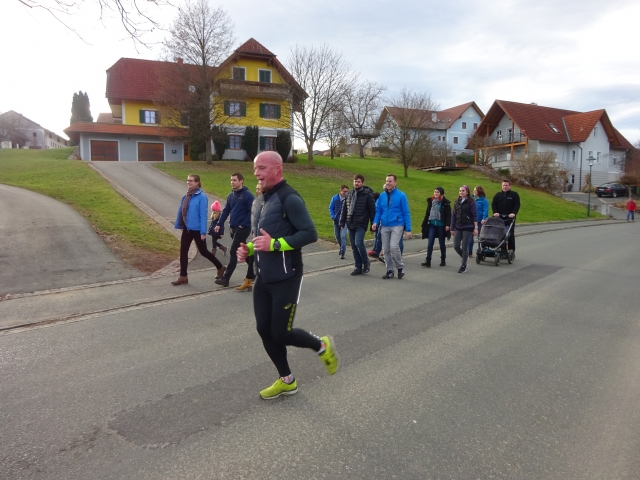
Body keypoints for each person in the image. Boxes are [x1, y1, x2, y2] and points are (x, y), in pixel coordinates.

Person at [236, 151, 339, 400]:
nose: (256, 173)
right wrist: (248, 249)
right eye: (254, 168)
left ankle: (322, 345)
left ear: (277, 169)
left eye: (261, 168)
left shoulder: (290, 198)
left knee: (281, 332)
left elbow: (310, 233)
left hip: (287, 276)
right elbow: (262, 237)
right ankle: (287, 380)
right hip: (263, 276)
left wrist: (275, 245)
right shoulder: (260, 200)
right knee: (264, 329)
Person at [171, 175, 225, 285]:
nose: (188, 182)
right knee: (183, 252)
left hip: (197, 229)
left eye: (191, 181)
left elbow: (203, 215)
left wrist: (203, 232)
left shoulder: (202, 197)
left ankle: (220, 267)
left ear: (197, 183)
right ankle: (183, 276)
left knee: (203, 251)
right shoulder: (187, 196)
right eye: (188, 180)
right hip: (187, 228)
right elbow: (182, 212)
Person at [214, 173, 255, 292]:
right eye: (231, 180)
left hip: (243, 228)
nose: (232, 182)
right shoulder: (231, 195)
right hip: (233, 228)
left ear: (241, 181)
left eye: (235, 180)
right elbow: (226, 210)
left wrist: (244, 224)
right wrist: (219, 224)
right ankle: (254, 272)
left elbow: (252, 212)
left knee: (233, 252)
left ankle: (226, 278)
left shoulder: (248, 195)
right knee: (243, 251)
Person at [373, 174, 412, 279]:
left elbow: (406, 212)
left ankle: (400, 267)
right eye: (387, 181)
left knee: (394, 246)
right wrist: (375, 222)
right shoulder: (382, 196)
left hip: (397, 225)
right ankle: (389, 270)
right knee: (385, 250)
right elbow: (378, 211)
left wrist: (408, 229)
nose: (388, 183)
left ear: (395, 182)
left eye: (390, 181)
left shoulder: (401, 195)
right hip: (384, 226)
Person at [340, 174, 376, 276]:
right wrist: (342, 222)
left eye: (358, 181)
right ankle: (358, 267)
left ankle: (366, 262)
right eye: (355, 181)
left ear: (362, 183)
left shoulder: (368, 195)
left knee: (358, 242)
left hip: (361, 223)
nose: (356, 183)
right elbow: (345, 209)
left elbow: (372, 211)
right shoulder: (349, 194)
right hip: (350, 223)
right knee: (354, 246)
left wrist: (373, 224)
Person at [420, 186, 451, 268]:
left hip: (441, 225)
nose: (436, 193)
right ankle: (428, 260)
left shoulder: (445, 203)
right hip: (432, 224)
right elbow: (427, 214)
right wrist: (423, 225)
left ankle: (443, 259)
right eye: (435, 192)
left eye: (437, 192)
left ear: (441, 193)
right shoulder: (431, 201)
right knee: (430, 243)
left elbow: (448, 215)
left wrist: (447, 225)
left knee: (441, 243)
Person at [450, 185, 478, 274]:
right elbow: (453, 215)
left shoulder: (471, 202)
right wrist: (452, 228)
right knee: (456, 246)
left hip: (468, 226)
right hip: (458, 226)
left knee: (465, 246)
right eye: (460, 191)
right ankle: (465, 257)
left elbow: (474, 215)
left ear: (467, 192)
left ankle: (463, 265)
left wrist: (476, 228)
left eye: (463, 191)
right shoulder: (457, 201)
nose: (461, 192)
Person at [491, 179, 520, 252]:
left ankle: (511, 250)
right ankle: (500, 248)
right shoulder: (498, 195)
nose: (505, 187)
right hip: (499, 218)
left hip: (509, 218)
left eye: (506, 185)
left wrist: (513, 213)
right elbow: (494, 204)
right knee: (499, 234)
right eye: (503, 185)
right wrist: (495, 212)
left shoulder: (514, 195)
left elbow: (517, 205)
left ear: (510, 186)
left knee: (510, 234)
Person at [468, 186, 489, 257]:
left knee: (480, 237)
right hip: (471, 221)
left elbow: (485, 210)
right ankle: (469, 251)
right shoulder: (470, 199)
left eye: (476, 190)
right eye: (474, 190)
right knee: (470, 237)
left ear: (480, 191)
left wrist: (484, 218)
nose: (474, 191)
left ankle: (480, 251)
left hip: (479, 221)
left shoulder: (484, 201)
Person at [329, 185, 349, 259]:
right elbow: (331, 208)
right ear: (341, 191)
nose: (346, 193)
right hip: (336, 220)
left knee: (343, 236)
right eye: (344, 191)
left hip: (345, 221)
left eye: (347, 192)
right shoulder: (335, 198)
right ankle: (341, 247)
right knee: (337, 236)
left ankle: (343, 252)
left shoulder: (348, 199)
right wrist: (333, 216)